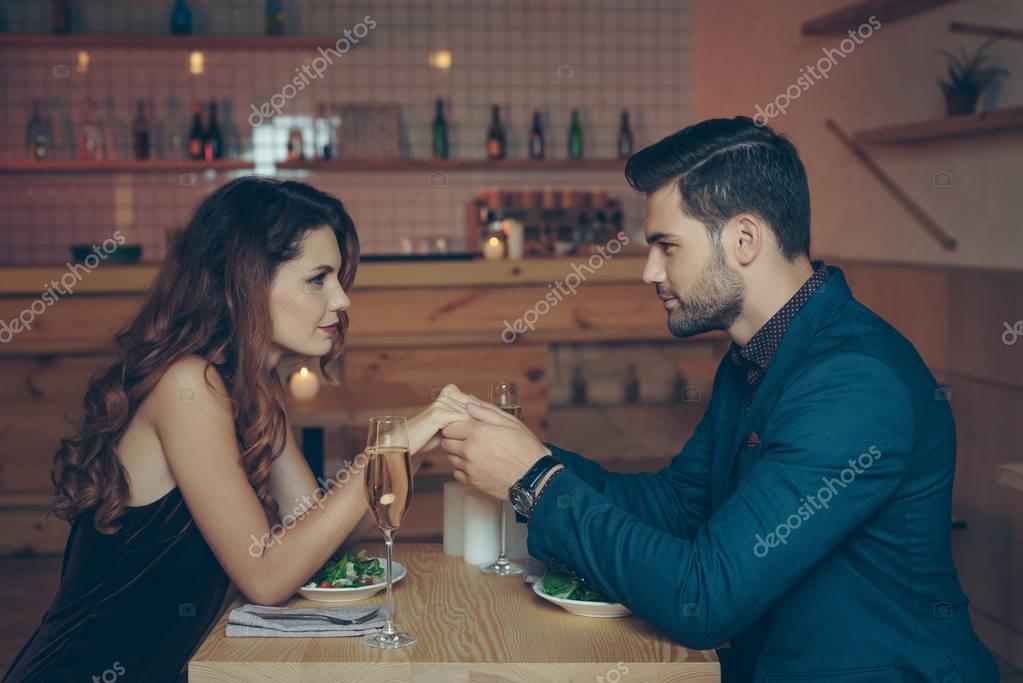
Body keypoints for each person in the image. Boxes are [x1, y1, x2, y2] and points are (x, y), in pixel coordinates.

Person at [440, 117, 999, 682]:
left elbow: (703, 600)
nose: (649, 272)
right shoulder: (756, 355)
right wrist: (533, 457)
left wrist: (536, 482)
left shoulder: (854, 383)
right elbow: (680, 508)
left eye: (667, 246)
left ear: (744, 240)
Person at [3, 177, 468, 682]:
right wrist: (392, 446)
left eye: (338, 278)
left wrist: (403, 454)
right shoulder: (186, 385)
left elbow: (315, 536)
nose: (341, 299)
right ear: (246, 283)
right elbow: (266, 577)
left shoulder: (255, 386)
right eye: (318, 279)